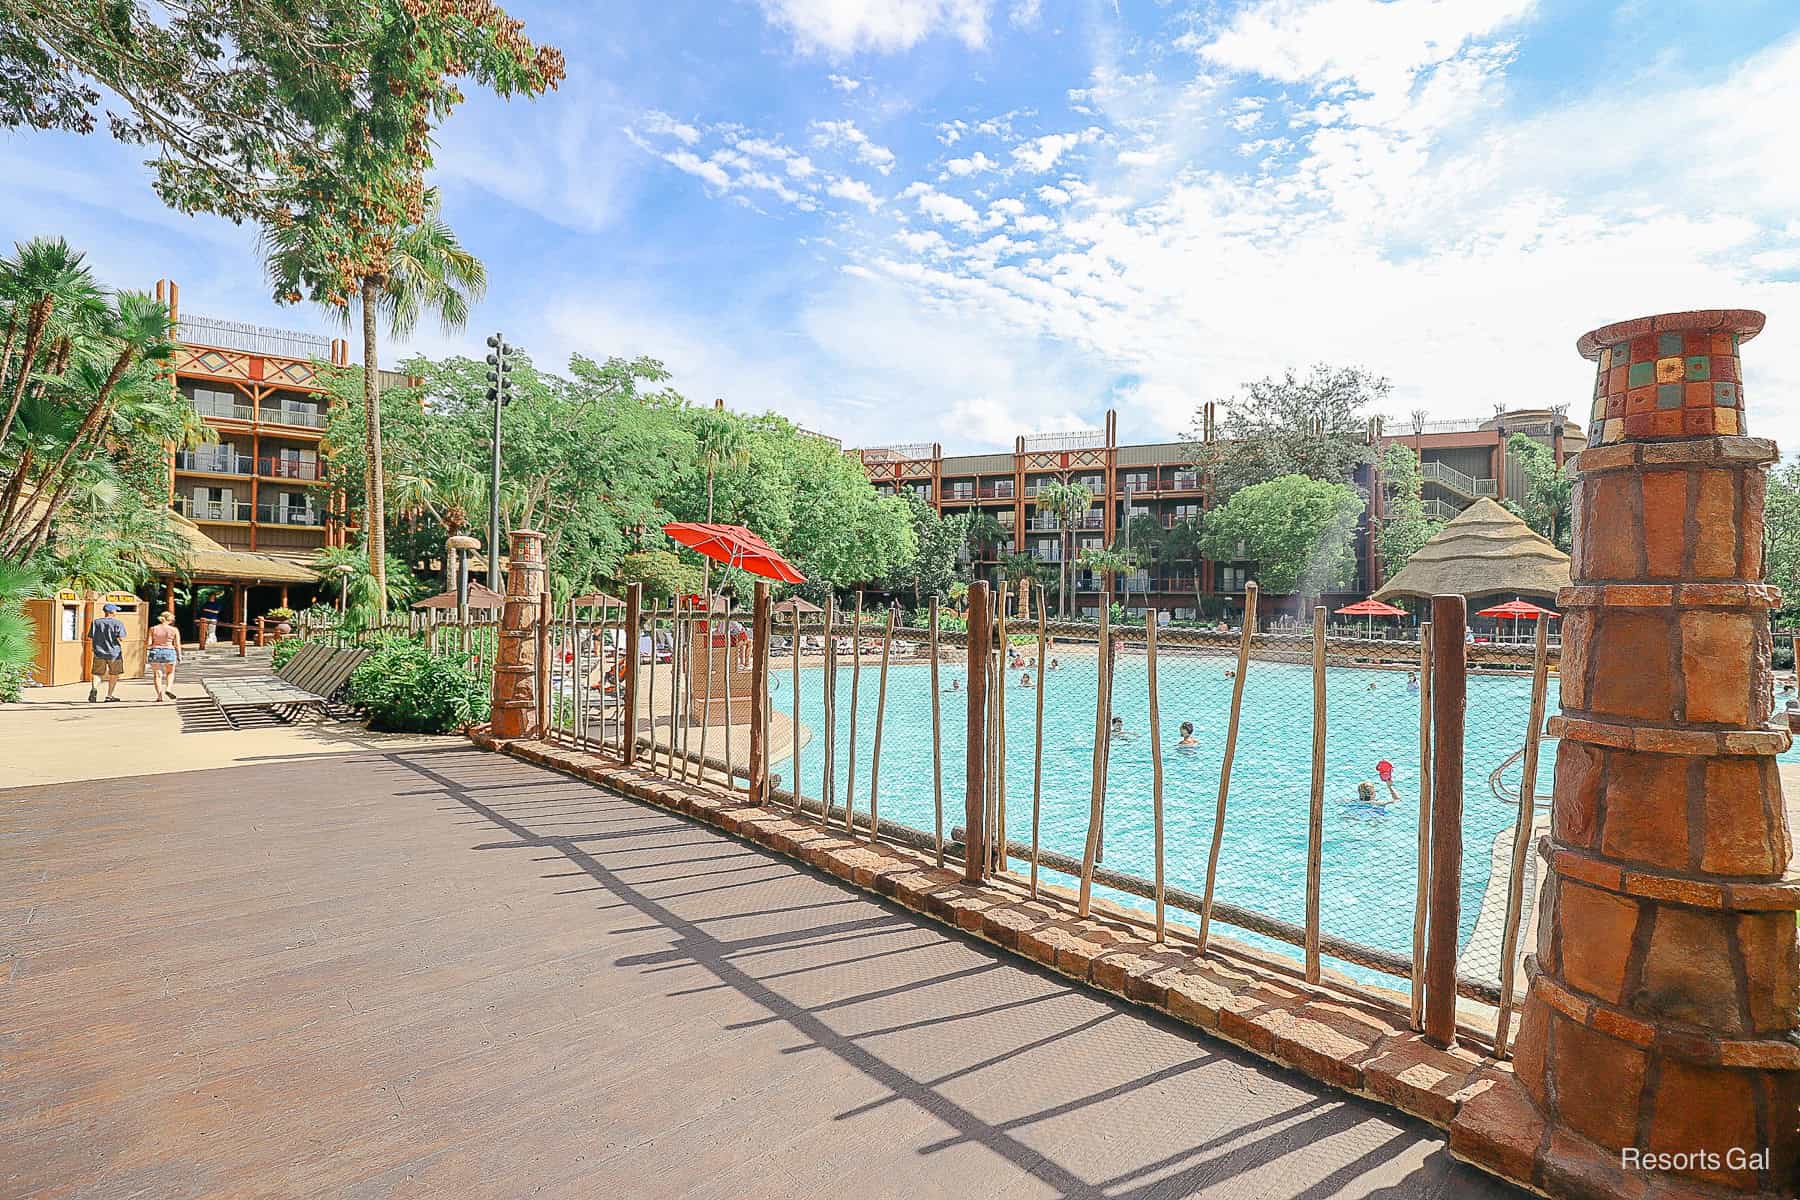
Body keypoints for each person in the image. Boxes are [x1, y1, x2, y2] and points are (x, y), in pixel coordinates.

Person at [87, 603, 128, 703]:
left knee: (97, 673)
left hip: (98, 652)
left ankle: (94, 688)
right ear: (112, 612)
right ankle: (109, 695)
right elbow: (121, 638)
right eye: (116, 610)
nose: (116, 612)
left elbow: (90, 636)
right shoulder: (118, 623)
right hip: (114, 653)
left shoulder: (96, 622)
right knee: (114, 673)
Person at [147, 610, 180, 702]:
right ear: (171, 620)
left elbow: (149, 643)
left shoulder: (153, 629)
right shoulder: (174, 630)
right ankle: (168, 689)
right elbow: (177, 644)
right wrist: (179, 655)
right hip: (169, 651)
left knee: (157, 675)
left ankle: (159, 696)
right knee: (170, 672)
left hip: (155, 651)